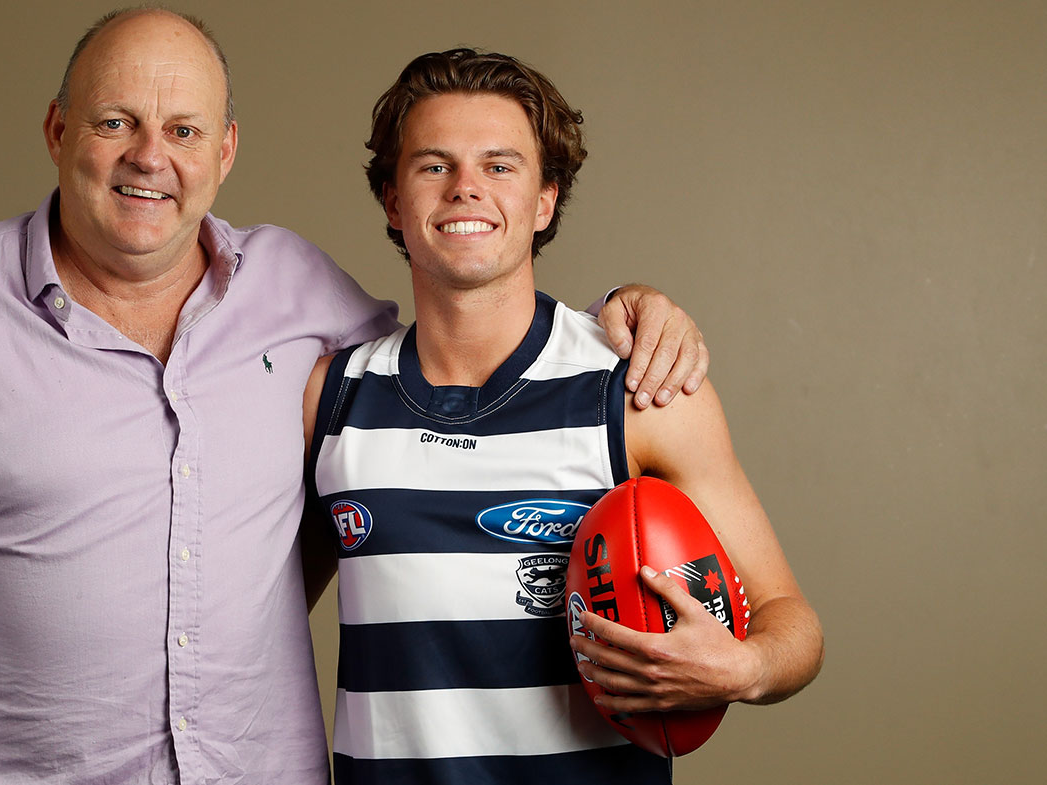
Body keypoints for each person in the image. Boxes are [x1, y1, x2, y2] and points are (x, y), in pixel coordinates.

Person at [0, 9, 708, 785]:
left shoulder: (299, 295)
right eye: (115, 121)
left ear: (226, 150)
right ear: (57, 129)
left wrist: (615, 316)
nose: (149, 156)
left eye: (183, 129)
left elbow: (464, 345)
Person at [303, 48, 823, 784]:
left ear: (546, 199)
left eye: (500, 166)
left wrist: (742, 667)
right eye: (433, 165)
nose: (466, 189)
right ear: (392, 200)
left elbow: (792, 622)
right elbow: (253, 614)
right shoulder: (331, 398)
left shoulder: (641, 390)